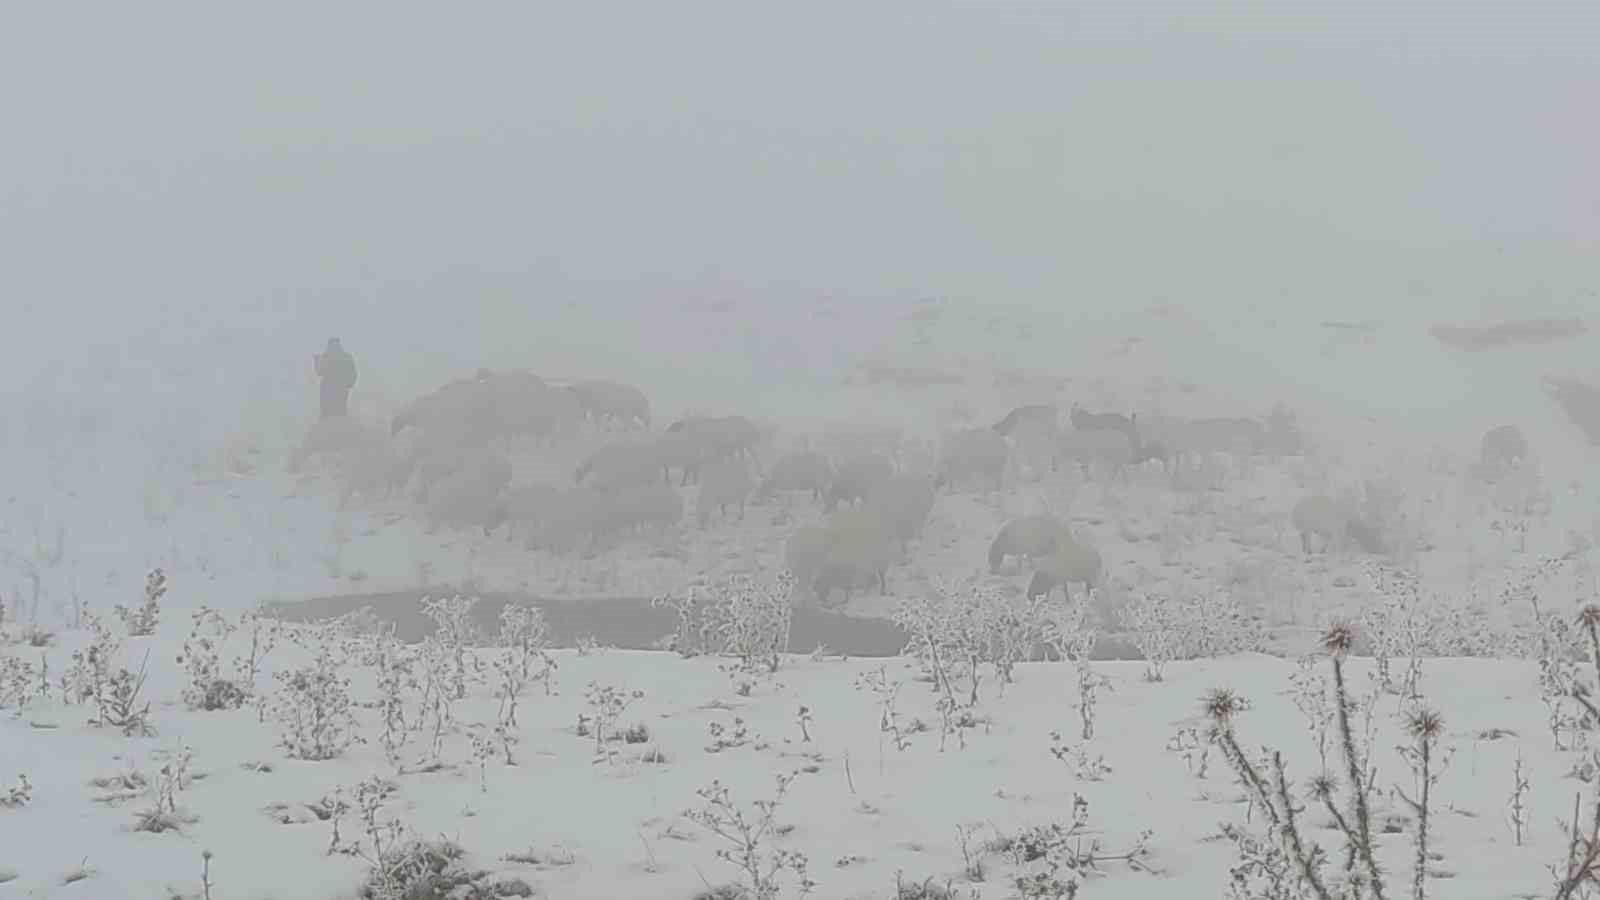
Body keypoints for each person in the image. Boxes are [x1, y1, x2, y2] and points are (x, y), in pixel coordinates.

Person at [313, 338, 358, 420]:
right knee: (340, 411)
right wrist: (349, 384)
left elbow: (319, 372)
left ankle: (330, 428)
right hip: (340, 389)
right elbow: (353, 373)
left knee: (328, 412)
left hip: (328, 389)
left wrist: (316, 361)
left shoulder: (327, 357)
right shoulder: (346, 357)